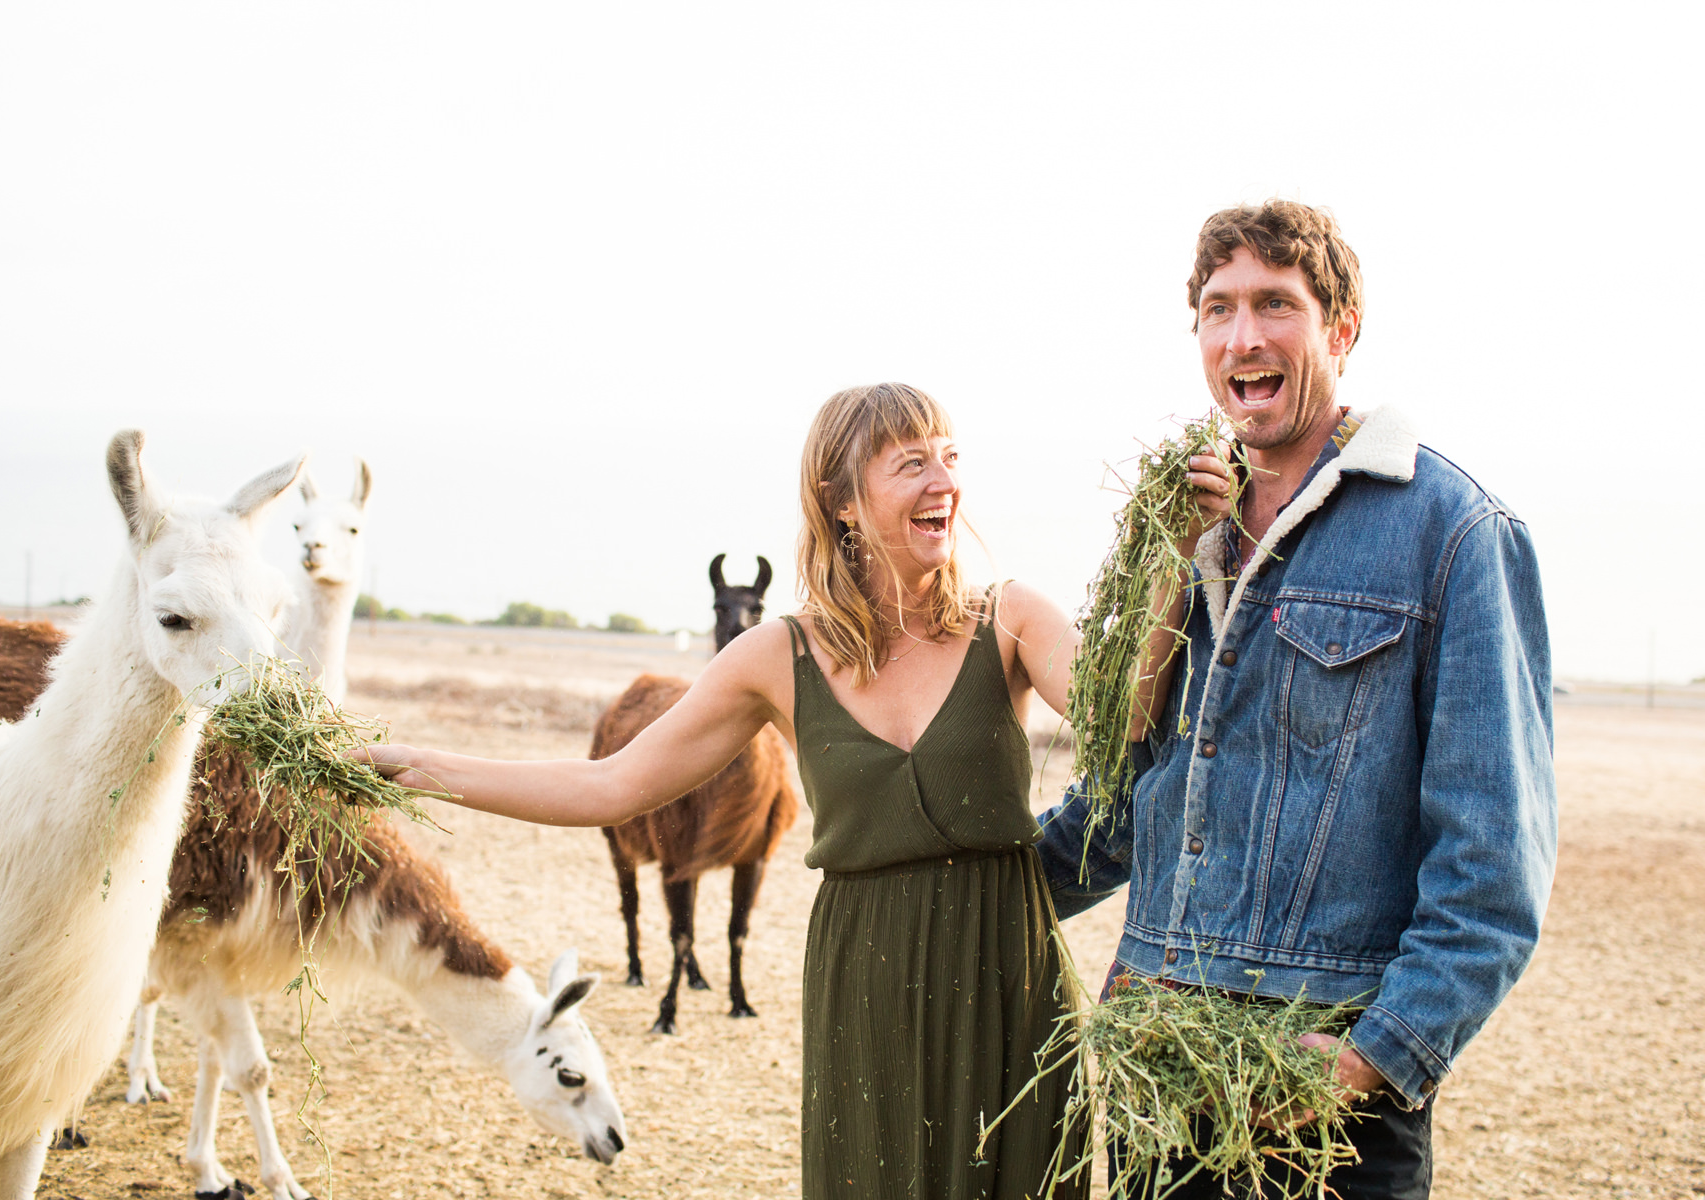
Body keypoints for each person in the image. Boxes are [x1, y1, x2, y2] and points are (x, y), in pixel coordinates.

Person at [358, 382, 1090, 1199]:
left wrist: (1186, 559)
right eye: (911, 463)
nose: (943, 481)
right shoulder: (779, 656)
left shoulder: (1014, 618)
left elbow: (1132, 710)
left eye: (951, 459)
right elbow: (611, 785)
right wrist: (410, 768)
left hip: (1008, 975)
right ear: (842, 501)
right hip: (867, 981)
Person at [1036, 200, 1557, 1198]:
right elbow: (1134, 797)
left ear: (1342, 331)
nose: (1243, 336)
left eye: (1276, 304)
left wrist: (1378, 1056)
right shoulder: (1181, 527)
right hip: (1162, 1051)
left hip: (1326, 1087)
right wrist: (956, 885)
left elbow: (1492, 867)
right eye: (1217, 308)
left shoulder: (1450, 533)